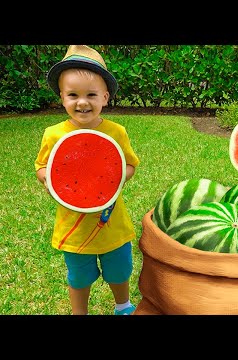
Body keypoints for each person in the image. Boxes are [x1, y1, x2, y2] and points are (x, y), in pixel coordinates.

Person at [34, 45, 140, 315]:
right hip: (74, 225)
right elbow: (43, 167)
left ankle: (123, 305)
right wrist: (48, 180)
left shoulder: (116, 132)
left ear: (105, 97)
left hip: (111, 221)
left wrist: (111, 182)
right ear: (62, 98)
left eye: (91, 94)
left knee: (119, 269)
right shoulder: (53, 134)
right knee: (79, 276)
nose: (82, 102)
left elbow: (129, 164)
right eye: (73, 95)